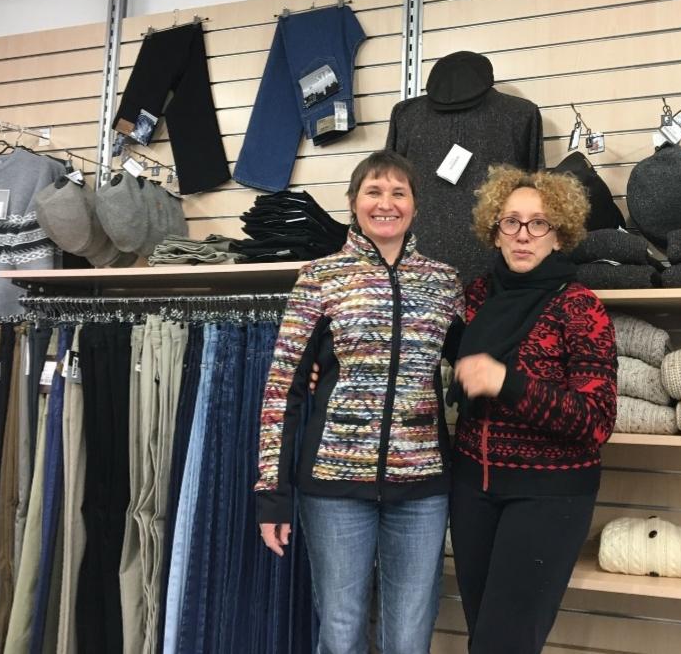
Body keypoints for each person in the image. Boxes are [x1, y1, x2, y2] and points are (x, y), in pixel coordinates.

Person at [254, 150, 463, 654]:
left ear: (415, 205)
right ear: (353, 202)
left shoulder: (444, 283)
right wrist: (272, 495)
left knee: (409, 637)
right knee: (341, 631)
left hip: (421, 489)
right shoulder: (320, 278)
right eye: (373, 191)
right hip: (334, 488)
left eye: (398, 192)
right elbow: (283, 388)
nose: (386, 203)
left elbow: (470, 365)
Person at [447, 165, 618, 653]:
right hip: (472, 491)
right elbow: (421, 346)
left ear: (559, 235)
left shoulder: (580, 307)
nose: (523, 235)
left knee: (503, 645)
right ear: (495, 231)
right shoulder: (476, 298)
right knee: (483, 636)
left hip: (548, 498)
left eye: (539, 223)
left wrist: (507, 383)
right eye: (511, 222)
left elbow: (596, 420)